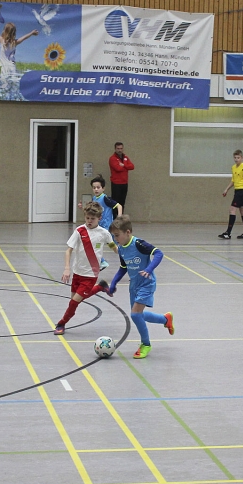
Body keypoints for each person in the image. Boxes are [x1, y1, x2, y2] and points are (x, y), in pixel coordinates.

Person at [105, 215, 174, 359]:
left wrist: (149, 269)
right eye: (113, 236)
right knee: (139, 315)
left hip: (146, 284)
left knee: (135, 315)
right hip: (134, 285)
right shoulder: (121, 248)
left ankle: (146, 344)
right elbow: (123, 267)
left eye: (117, 235)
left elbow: (159, 253)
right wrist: (114, 283)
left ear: (128, 232)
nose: (115, 239)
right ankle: (165, 319)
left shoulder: (138, 244)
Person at [53, 201, 118, 335]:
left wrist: (125, 253)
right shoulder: (79, 231)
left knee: (74, 303)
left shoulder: (104, 233)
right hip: (77, 272)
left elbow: (113, 247)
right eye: (87, 218)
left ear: (99, 218)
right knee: (75, 299)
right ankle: (100, 287)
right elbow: (68, 251)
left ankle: (61, 323)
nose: (89, 221)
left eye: (92, 219)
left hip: (90, 275)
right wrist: (67, 268)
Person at [219, 149, 243, 239]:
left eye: (238, 158)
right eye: (235, 158)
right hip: (237, 191)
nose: (236, 159)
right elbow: (233, 181)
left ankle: (228, 233)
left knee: (232, 209)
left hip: (242, 191)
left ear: (242, 158)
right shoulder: (234, 167)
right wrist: (226, 189)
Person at [108, 142, 135, 209]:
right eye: (118, 148)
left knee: (122, 202)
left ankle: (121, 215)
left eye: (121, 148)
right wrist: (126, 167)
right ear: (115, 149)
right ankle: (115, 215)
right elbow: (118, 168)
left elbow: (132, 166)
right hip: (116, 183)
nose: (120, 150)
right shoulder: (112, 158)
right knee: (115, 203)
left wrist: (123, 165)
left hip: (124, 183)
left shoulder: (125, 157)